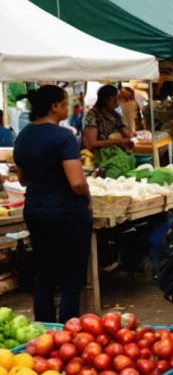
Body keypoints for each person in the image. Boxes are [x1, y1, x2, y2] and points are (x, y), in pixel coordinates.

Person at [13, 86, 92, 323]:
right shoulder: (63, 136)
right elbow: (77, 181)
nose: (67, 108)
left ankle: (44, 332)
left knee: (45, 276)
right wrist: (87, 196)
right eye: (65, 103)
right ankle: (68, 335)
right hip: (67, 213)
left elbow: (22, 178)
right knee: (70, 279)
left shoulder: (24, 136)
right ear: (54, 106)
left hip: (36, 210)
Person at [83, 84, 134, 160]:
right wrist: (118, 141)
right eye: (114, 100)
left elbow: (127, 133)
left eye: (118, 100)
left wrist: (129, 135)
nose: (117, 103)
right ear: (106, 100)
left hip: (116, 155)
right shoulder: (93, 115)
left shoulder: (116, 115)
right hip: (98, 157)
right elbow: (91, 143)